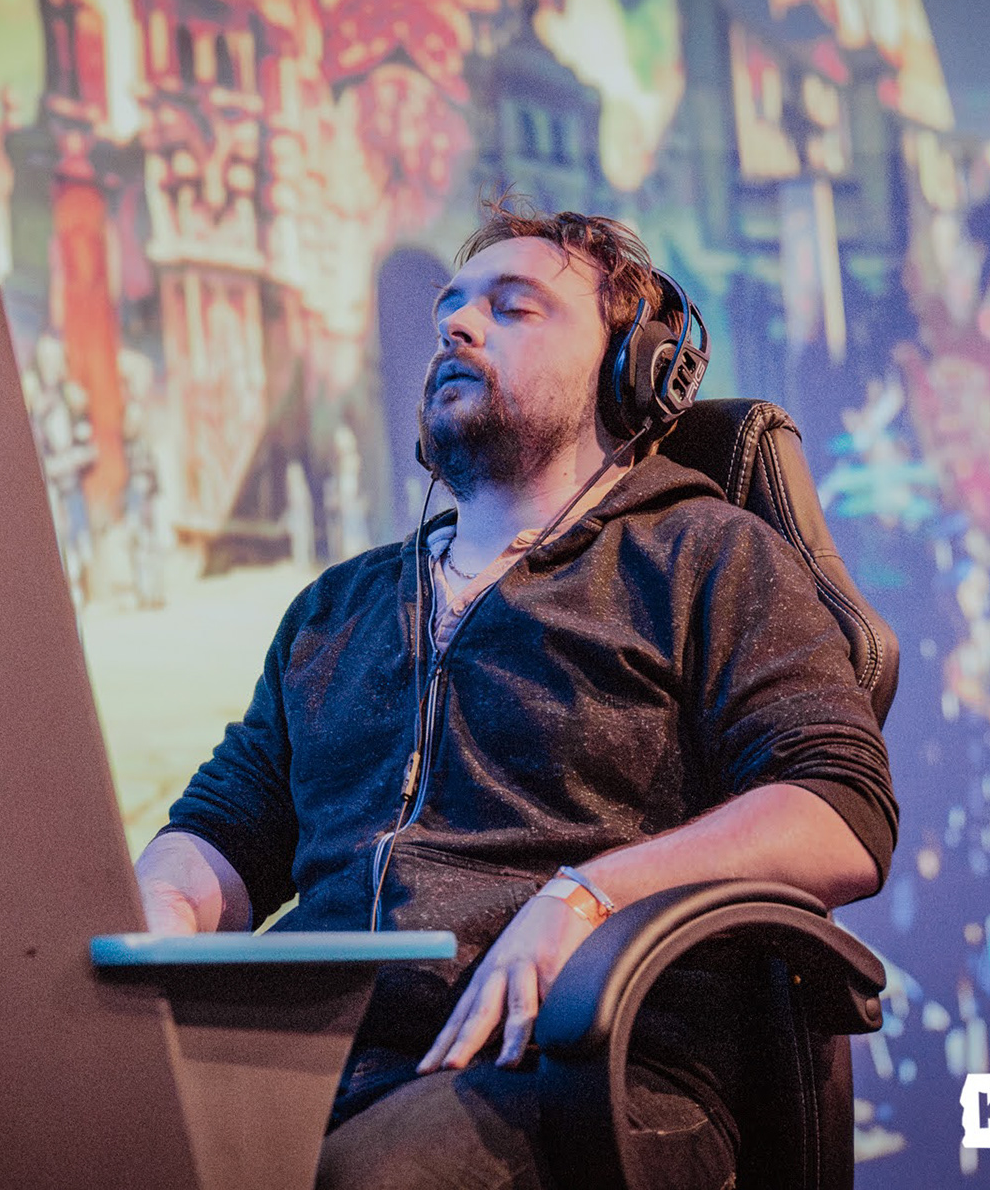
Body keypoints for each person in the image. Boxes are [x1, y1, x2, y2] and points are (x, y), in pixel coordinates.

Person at [135, 202, 898, 1190]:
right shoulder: (338, 608)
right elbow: (225, 833)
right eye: (451, 307)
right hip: (315, 1062)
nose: (456, 324)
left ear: (629, 369)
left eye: (513, 307)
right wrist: (158, 906)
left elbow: (839, 811)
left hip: (586, 1066)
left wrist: (588, 894)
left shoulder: (702, 557)